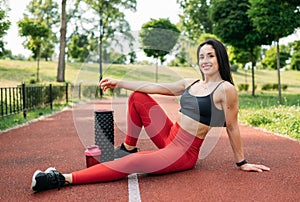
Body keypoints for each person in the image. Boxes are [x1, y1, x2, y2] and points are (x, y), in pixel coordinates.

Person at [31, 39, 270, 192]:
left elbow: (232, 127)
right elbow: (155, 86)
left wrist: (242, 163)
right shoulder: (192, 82)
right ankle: (128, 146)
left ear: (220, 58)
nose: (205, 61)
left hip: (183, 152)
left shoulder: (226, 90)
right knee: (138, 96)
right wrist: (120, 82)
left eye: (210, 55)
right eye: (201, 56)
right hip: (169, 135)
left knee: (134, 165)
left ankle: (59, 179)